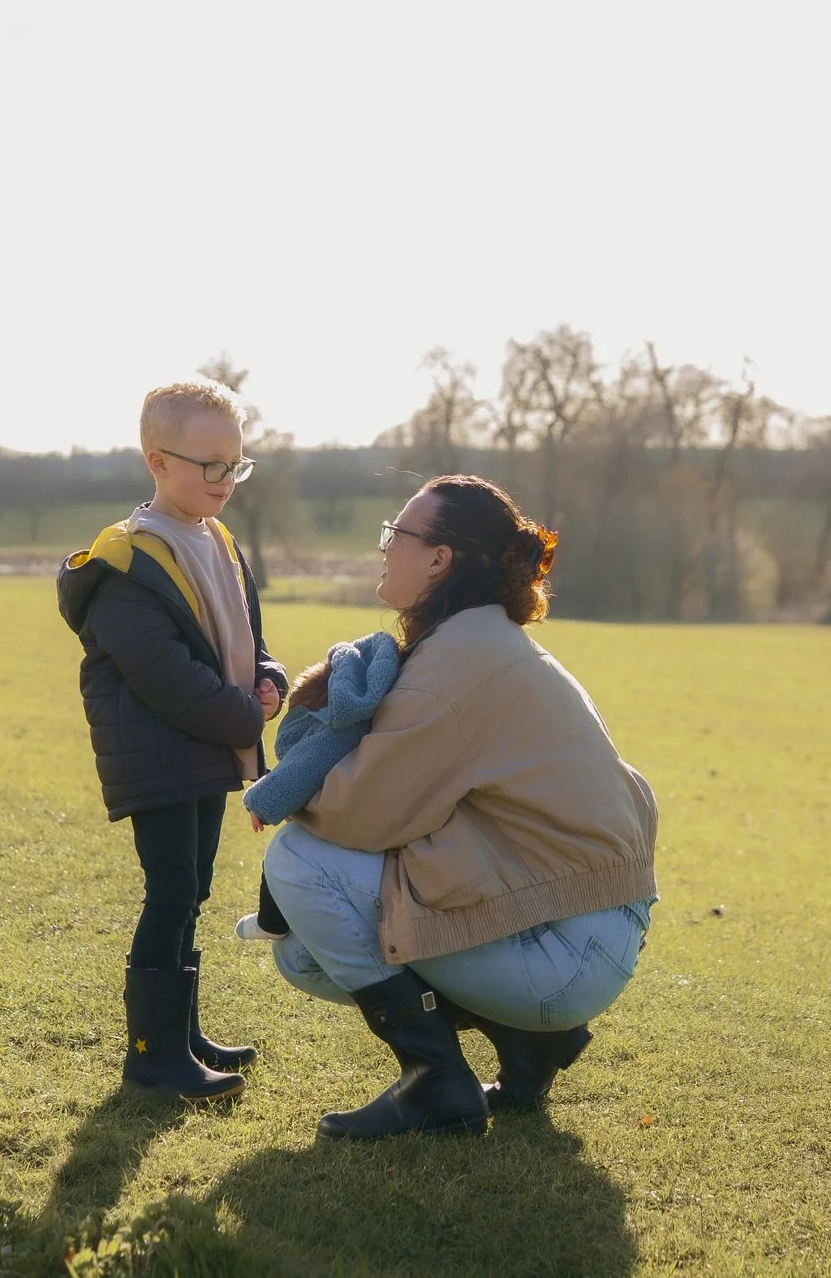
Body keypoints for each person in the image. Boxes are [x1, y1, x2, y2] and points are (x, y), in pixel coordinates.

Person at [260, 475, 659, 1140]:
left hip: (566, 950)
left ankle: (437, 1082)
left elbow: (361, 814)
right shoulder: (481, 641)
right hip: (587, 930)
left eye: (397, 533)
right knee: (303, 951)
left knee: (298, 860)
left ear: (439, 559)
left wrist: (296, 780)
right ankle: (527, 1041)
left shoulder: (459, 660)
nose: (384, 545)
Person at [55, 378, 287, 1101]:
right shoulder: (129, 561)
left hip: (205, 748)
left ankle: (182, 1035)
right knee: (171, 889)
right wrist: (246, 716)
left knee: (194, 888)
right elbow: (167, 676)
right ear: (157, 461)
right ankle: (152, 1058)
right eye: (210, 464)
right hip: (159, 753)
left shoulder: (217, 540)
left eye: (236, 464)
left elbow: (241, 638)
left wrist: (270, 678)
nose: (226, 479)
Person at [235, 631, 405, 939]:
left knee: (290, 847)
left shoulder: (337, 730)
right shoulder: (376, 705)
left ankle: (271, 922)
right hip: (384, 809)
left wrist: (261, 802)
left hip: (352, 818)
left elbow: (303, 765)